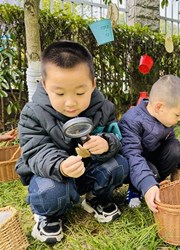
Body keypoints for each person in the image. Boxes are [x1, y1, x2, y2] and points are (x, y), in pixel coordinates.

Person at [15, 41, 129, 244]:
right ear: (44, 85)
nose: (70, 102)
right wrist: (60, 165)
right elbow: (36, 151)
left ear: (93, 84)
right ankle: (48, 215)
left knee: (119, 165)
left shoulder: (103, 108)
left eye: (79, 93)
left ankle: (95, 198)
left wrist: (106, 143)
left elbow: (116, 136)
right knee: (51, 192)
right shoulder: (32, 114)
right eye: (59, 93)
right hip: (52, 177)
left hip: (88, 172)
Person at [119, 75, 180, 213]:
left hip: (153, 158)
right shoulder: (131, 121)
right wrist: (147, 181)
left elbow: (171, 138)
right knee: (151, 172)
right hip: (135, 162)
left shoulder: (164, 118)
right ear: (159, 107)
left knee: (175, 150)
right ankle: (137, 188)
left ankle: (154, 183)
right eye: (177, 114)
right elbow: (132, 155)